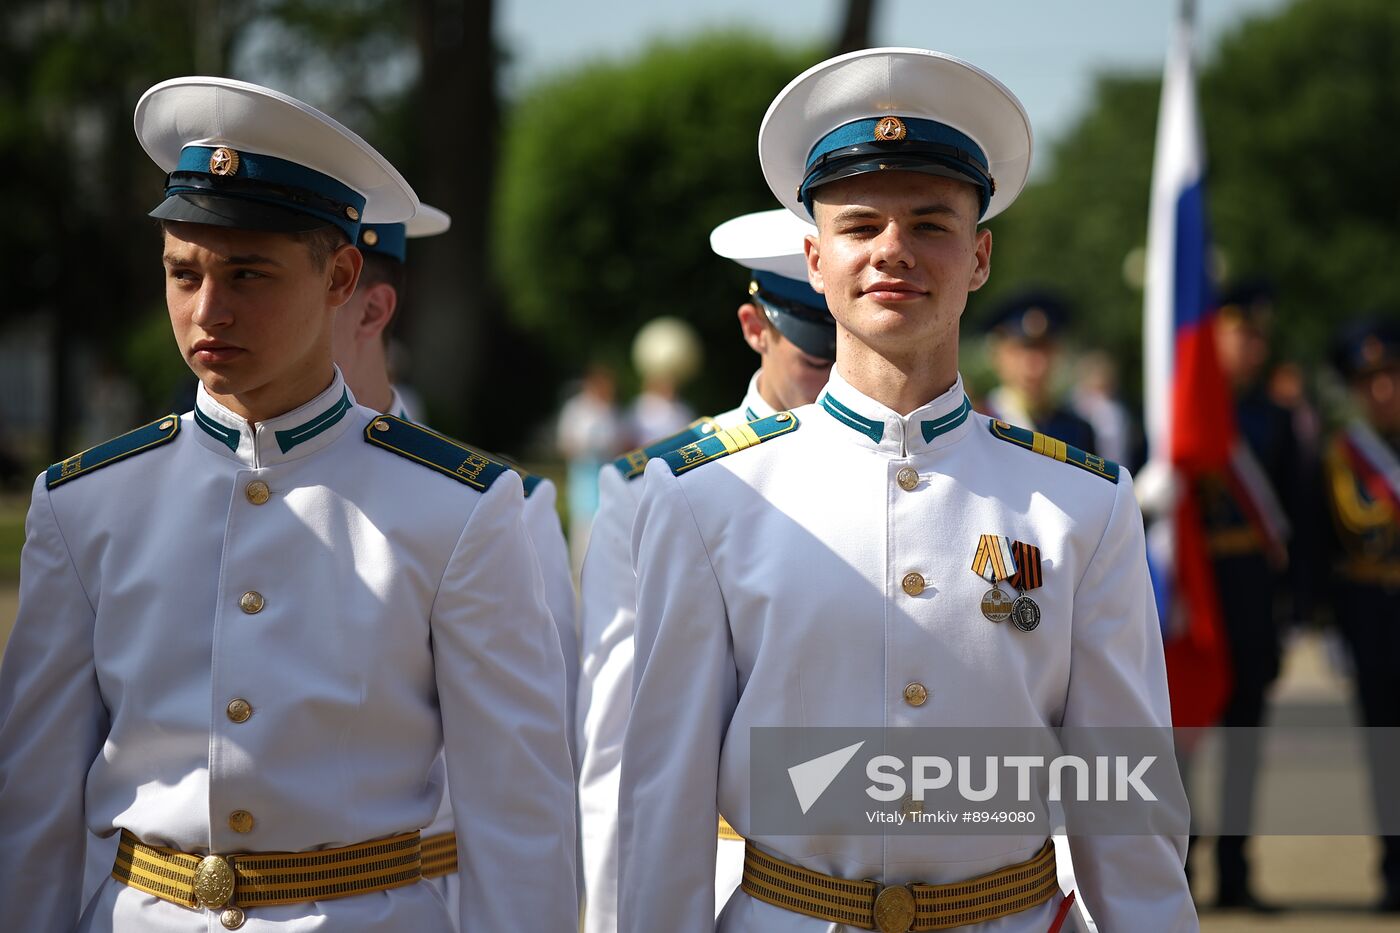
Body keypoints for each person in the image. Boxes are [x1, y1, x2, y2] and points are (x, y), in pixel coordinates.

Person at [617, 48, 1195, 932]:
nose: (894, 252)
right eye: (859, 226)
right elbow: (663, 805)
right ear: (814, 258)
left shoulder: (1082, 504)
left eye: (931, 224)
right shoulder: (707, 496)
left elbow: (1128, 811)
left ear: (980, 256)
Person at [0, 76, 576, 931]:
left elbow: (517, 820)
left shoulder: (457, 509)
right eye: (182, 272)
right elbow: (35, 809)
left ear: (342, 275)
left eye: (248, 273)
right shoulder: (85, 504)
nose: (208, 310)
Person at [576, 207, 835, 933]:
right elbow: (620, 750)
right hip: (736, 883)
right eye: (819, 357)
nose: (842, 378)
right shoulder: (658, 487)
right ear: (757, 328)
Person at [334, 205, 582, 924]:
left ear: (370, 306)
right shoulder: (145, 498)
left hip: (428, 894)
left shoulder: (498, 503)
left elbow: (532, 760)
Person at [1195, 282, 1299, 911]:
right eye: (1237, 331)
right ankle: (1179, 865)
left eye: (1257, 335)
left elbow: (1297, 520)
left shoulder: (1277, 417)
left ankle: (1236, 873)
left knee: (1244, 744)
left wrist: (1297, 606)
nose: (1247, 346)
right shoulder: (1178, 405)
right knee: (1179, 746)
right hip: (1195, 596)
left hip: (1253, 597)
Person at [1322, 319, 1400, 913]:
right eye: (1368, 382)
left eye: (1389, 378)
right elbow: (1338, 536)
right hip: (1374, 616)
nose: (1381, 392)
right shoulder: (1344, 455)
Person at [981, 289, 1097, 453]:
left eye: (1045, 349)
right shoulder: (979, 422)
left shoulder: (1078, 431)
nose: (1034, 365)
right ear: (997, 354)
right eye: (1021, 350)